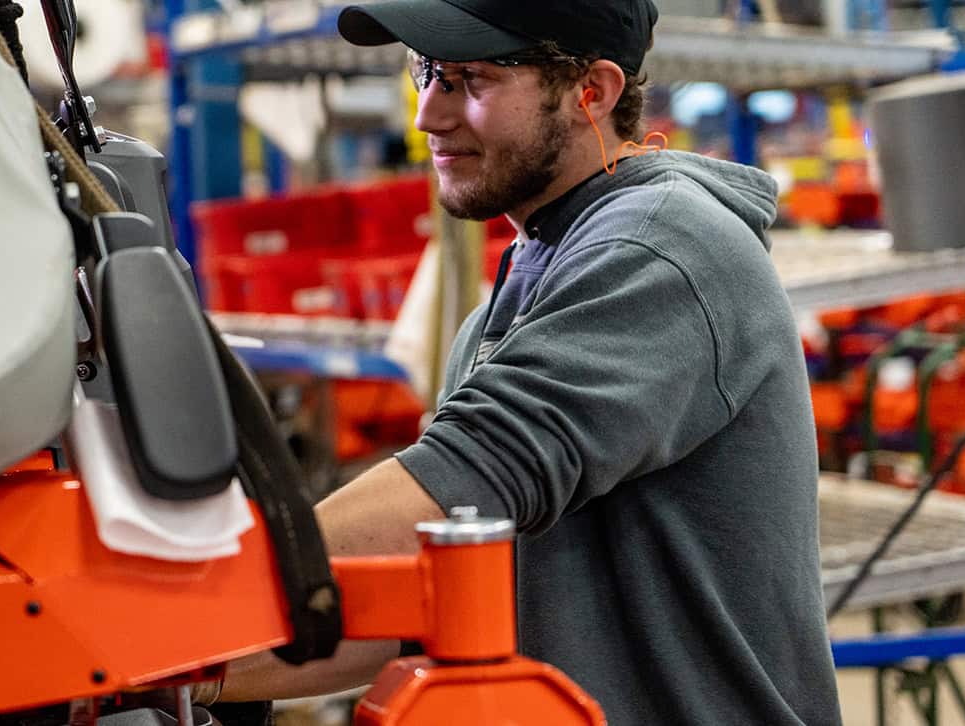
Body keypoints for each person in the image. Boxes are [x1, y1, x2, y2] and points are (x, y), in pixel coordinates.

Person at [200, 0, 843, 724]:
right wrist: (188, 671)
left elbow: (467, 481)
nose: (428, 116)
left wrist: (176, 610)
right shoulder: (510, 299)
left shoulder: (663, 248)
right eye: (426, 74)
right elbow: (422, 597)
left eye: (471, 79)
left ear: (590, 93)